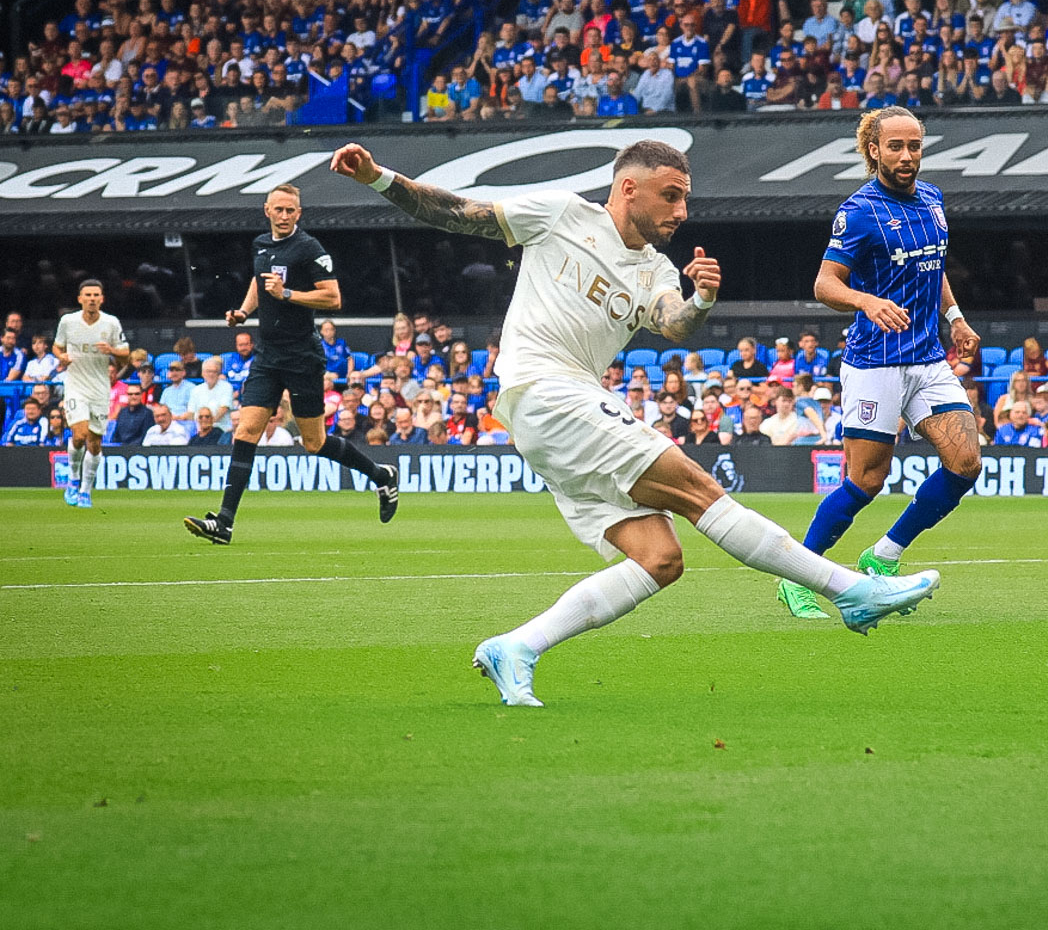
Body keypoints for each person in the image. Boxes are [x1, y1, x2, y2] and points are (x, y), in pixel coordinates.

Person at [329, 137, 939, 706]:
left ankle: (516, 647)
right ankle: (850, 592)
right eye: (670, 196)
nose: (681, 211)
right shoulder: (563, 214)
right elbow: (458, 212)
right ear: (628, 188)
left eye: (685, 198)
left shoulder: (655, 270)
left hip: (557, 415)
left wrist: (701, 299)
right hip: (546, 391)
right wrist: (379, 177)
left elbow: (673, 323)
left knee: (659, 558)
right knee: (699, 490)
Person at [776, 107, 980, 621]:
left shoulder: (932, 200)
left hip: (928, 359)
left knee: (966, 463)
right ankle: (797, 577)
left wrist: (954, 318)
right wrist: (865, 301)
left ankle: (884, 555)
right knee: (867, 480)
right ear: (874, 150)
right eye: (896, 146)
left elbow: (934, 268)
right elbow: (825, 284)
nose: (907, 156)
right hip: (876, 361)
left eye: (914, 145)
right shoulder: (859, 211)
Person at [184, 183, 397, 545]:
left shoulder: (308, 248)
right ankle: (224, 522)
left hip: (302, 356)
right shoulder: (260, 244)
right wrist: (244, 311)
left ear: (299, 213)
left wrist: (287, 293)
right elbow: (259, 282)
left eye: (290, 211)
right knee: (245, 431)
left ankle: (381, 475)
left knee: (314, 442)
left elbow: (333, 298)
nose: (283, 216)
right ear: (266, 210)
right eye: (278, 209)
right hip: (268, 355)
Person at [53, 279, 128, 508]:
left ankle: (86, 490)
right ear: (80, 299)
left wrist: (111, 350)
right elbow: (57, 346)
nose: (92, 299)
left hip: (100, 389)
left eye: (96, 295)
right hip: (76, 386)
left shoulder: (111, 323)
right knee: (79, 434)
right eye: (88, 295)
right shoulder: (68, 321)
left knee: (94, 443)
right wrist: (61, 356)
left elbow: (126, 354)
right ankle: (73, 480)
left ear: (102, 299)